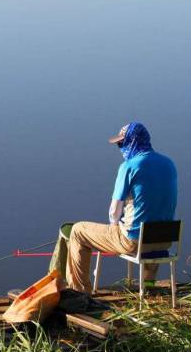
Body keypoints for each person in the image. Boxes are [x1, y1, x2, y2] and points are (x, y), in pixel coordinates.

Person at [66, 123, 177, 293]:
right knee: (150, 228)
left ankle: (80, 292)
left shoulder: (129, 167)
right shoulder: (169, 164)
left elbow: (114, 211)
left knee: (78, 231)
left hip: (133, 241)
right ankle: (148, 289)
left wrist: (114, 227)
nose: (120, 147)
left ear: (132, 141)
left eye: (121, 143)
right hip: (164, 240)